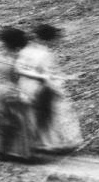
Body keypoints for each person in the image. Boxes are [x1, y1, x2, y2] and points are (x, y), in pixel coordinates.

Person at [16, 23, 83, 154]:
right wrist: (59, 89)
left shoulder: (26, 50)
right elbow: (49, 75)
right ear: (48, 39)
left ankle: (33, 141)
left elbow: (19, 68)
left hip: (24, 85)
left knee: (32, 113)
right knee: (54, 113)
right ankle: (55, 143)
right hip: (41, 87)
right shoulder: (45, 54)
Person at [0, 27, 36, 162]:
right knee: (8, 119)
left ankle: (6, 150)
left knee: (9, 119)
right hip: (7, 89)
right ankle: (9, 150)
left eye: (2, 41)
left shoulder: (11, 58)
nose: (0, 44)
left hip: (9, 89)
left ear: (8, 43)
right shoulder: (13, 57)